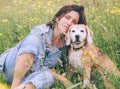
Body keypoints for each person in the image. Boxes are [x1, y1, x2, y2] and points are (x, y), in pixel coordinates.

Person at [0, 4, 87, 89]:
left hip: (30, 77)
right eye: (67, 18)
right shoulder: (41, 31)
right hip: (12, 67)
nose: (69, 23)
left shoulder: (68, 47)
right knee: (32, 41)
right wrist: (63, 79)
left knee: (49, 77)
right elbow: (37, 64)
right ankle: (14, 86)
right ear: (57, 18)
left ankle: (23, 87)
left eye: (74, 22)